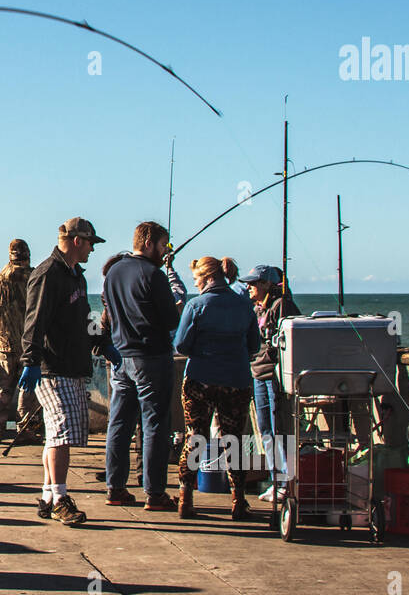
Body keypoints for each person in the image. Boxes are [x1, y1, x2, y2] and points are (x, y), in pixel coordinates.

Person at [19, 217, 120, 526]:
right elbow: (34, 320)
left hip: (70, 367)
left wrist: (102, 344)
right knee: (62, 433)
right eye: (91, 243)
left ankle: (48, 496)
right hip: (52, 368)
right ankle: (62, 497)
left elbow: (84, 316)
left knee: (56, 434)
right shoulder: (48, 274)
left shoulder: (76, 275)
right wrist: (31, 361)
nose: (92, 249)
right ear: (77, 241)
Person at [101, 221, 186, 510]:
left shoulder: (112, 272)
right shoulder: (154, 275)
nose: (165, 252)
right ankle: (155, 492)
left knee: (119, 423)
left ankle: (115, 487)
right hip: (151, 358)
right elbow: (171, 321)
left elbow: (109, 313)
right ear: (149, 243)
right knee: (154, 425)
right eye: (164, 246)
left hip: (121, 358)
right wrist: (177, 306)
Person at [173, 255, 261, 521]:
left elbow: (181, 345)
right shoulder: (244, 305)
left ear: (207, 277)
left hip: (200, 379)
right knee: (234, 441)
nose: (196, 284)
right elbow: (254, 346)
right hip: (236, 380)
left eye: (197, 279)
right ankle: (238, 500)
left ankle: (185, 499)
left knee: (195, 438)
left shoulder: (196, 305)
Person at [241, 265, 300, 500]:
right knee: (265, 429)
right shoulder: (258, 308)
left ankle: (287, 480)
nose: (248, 287)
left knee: (279, 429)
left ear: (266, 284)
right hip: (258, 374)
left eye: (253, 283)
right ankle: (276, 479)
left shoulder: (282, 306)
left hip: (274, 376)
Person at [0, 239, 42, 444]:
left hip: (3, 346)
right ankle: (25, 430)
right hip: (29, 346)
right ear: (27, 255)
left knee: (1, 391)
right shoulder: (35, 278)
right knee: (28, 392)